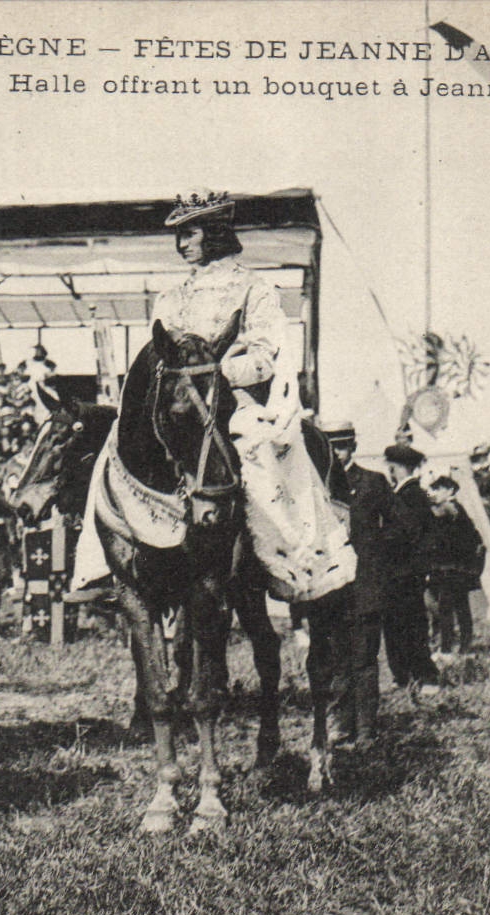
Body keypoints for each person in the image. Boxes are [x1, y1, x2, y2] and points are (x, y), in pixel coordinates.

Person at [154, 188, 355, 604]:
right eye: (179, 236)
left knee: (261, 453)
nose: (183, 244)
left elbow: (264, 355)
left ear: (214, 233)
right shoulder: (170, 297)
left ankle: (289, 561)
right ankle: (110, 562)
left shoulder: (254, 289)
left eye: (190, 234)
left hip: (235, 402)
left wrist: (215, 375)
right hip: (180, 405)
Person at [322, 422, 399, 744]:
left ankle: (366, 729)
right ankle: (340, 725)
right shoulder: (318, 487)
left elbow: (399, 526)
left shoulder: (372, 482)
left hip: (366, 584)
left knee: (365, 660)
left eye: (341, 447)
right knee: (336, 659)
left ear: (352, 447)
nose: (337, 455)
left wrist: (374, 553)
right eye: (331, 449)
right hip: (331, 587)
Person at [383, 442, 441, 697]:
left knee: (411, 625)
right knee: (399, 625)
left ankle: (425, 676)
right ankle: (404, 675)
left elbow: (410, 535)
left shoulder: (410, 496)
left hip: (405, 572)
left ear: (395, 468)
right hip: (402, 572)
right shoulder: (410, 494)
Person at [423, 475, 485, 658]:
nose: (435, 492)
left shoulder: (451, 506)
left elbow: (438, 512)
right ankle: (462, 643)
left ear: (450, 491)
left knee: (446, 606)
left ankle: (447, 647)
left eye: (439, 488)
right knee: (458, 605)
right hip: (455, 566)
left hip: (453, 566)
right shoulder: (453, 508)